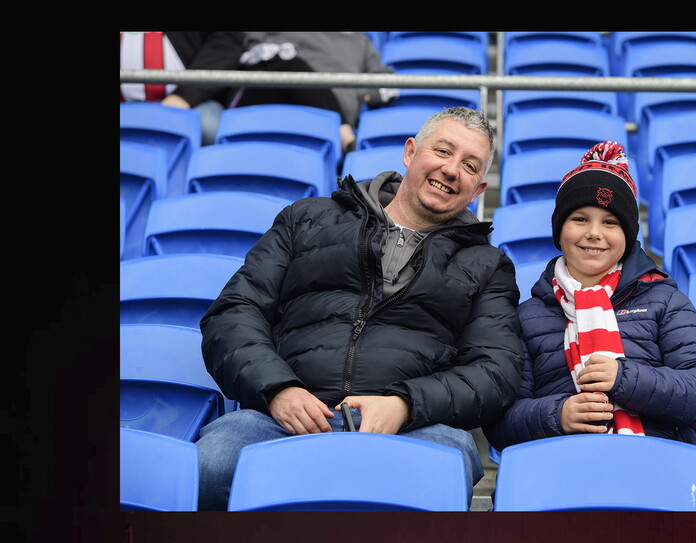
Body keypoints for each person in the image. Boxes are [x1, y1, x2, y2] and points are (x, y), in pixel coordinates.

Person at [195, 107, 523, 511]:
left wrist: (404, 405)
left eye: (469, 165)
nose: (452, 169)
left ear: (478, 190)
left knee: (449, 461)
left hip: (410, 429)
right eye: (442, 150)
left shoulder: (488, 265)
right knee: (212, 461)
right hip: (282, 419)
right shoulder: (308, 218)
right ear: (410, 153)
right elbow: (234, 312)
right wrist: (278, 388)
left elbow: (496, 371)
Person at [483, 141, 696, 451]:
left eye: (610, 222)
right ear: (559, 232)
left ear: (627, 237)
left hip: (656, 458)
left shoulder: (665, 301)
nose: (594, 233)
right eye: (580, 219)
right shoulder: (527, 316)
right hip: (561, 464)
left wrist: (624, 377)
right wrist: (558, 415)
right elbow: (499, 421)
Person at [226, 32, 399, 154]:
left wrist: (357, 92)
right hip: (273, 94)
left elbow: (388, 85)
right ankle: (345, 137)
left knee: (295, 68)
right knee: (292, 65)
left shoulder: (361, 42)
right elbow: (254, 46)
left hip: (328, 108)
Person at [119, 32, 244, 146]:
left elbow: (224, 46)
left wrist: (185, 97)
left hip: (193, 103)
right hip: (125, 105)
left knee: (214, 131)